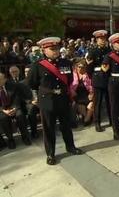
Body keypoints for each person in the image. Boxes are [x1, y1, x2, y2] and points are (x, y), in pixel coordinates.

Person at [28, 37, 83, 165]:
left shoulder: (66, 63)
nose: (55, 51)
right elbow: (31, 83)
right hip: (47, 100)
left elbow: (69, 80)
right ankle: (51, 154)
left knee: (66, 125)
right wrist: (46, 91)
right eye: (52, 49)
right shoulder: (38, 66)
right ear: (44, 50)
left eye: (57, 48)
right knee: (48, 128)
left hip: (63, 99)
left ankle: (71, 147)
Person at [86, 30, 112, 132]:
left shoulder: (108, 50)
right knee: (98, 102)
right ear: (96, 40)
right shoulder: (92, 51)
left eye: (104, 39)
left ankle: (112, 120)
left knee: (110, 101)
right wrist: (93, 78)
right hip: (98, 78)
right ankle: (97, 122)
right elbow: (89, 69)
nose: (102, 41)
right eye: (100, 39)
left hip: (108, 78)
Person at [0, 72, 32, 149]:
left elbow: (17, 98)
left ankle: (25, 137)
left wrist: (15, 108)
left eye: (0, 79)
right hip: (2, 109)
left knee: (20, 115)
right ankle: (11, 140)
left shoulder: (12, 85)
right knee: (3, 118)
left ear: (5, 79)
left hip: (14, 107)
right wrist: (4, 111)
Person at [70, 60, 94, 126]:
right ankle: (86, 119)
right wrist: (72, 92)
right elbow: (69, 86)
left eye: (83, 67)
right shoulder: (72, 75)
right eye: (79, 67)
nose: (81, 68)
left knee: (91, 103)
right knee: (78, 104)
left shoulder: (87, 74)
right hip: (76, 95)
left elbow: (91, 85)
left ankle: (86, 119)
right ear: (76, 67)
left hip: (86, 94)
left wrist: (91, 93)